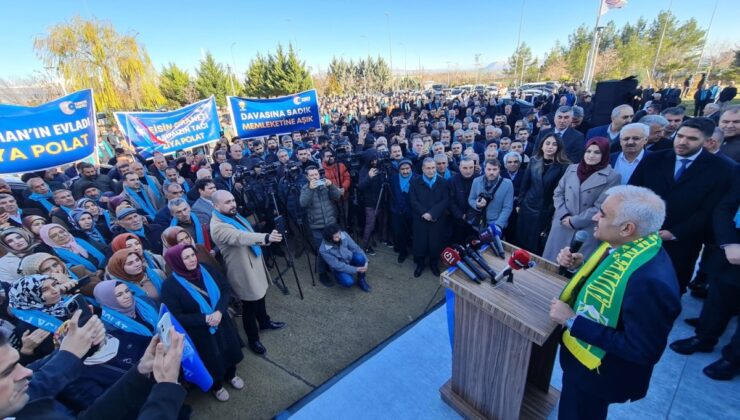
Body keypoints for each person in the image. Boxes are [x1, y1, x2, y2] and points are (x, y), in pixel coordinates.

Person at [550, 185, 681, 420]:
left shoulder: (652, 282)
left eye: (602, 213)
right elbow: (612, 288)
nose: (594, 217)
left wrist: (572, 321)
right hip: (583, 366)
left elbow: (642, 349)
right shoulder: (631, 246)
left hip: (599, 376)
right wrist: (580, 266)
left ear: (627, 228)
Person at [0, 314, 187, 419]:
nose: (26, 371)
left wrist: (140, 371)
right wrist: (166, 388)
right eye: (8, 371)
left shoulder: (19, 403)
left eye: (17, 363)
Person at [629, 117, 734, 293]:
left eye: (692, 139)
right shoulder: (653, 159)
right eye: (680, 136)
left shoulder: (723, 169)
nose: (683, 142)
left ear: (708, 142)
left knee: (669, 290)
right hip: (641, 235)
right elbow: (633, 192)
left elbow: (711, 210)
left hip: (683, 244)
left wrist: (675, 233)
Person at [669, 167, 740, 380]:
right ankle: (704, 338)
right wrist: (729, 243)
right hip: (732, 248)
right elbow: (724, 208)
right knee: (719, 296)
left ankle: (733, 359)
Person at [162, 244, 244, 402]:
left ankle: (231, 375)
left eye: (192, 255)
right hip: (200, 332)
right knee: (212, 359)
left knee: (229, 349)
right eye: (186, 257)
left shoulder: (206, 269)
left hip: (222, 321)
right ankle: (217, 386)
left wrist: (219, 311)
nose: (192, 259)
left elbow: (225, 289)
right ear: (176, 261)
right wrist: (205, 318)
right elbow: (177, 316)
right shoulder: (170, 286)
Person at [210, 190, 285, 355]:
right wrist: (266, 238)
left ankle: (264, 322)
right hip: (243, 271)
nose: (233, 204)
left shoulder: (230, 215)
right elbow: (240, 237)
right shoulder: (218, 226)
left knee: (261, 296)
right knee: (250, 307)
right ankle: (253, 339)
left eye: (232, 200)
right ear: (216, 206)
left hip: (253, 264)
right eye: (227, 202)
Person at [543, 138, 621, 262]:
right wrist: (564, 215)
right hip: (562, 223)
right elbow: (558, 193)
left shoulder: (613, 176)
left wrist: (574, 221)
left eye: (597, 152)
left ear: (605, 154)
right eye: (588, 151)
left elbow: (600, 206)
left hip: (585, 229)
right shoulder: (572, 168)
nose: (591, 155)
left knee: (573, 265)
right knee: (551, 263)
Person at [516, 133, 570, 255]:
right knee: (522, 239)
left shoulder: (564, 166)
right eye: (547, 143)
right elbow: (525, 184)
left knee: (536, 243)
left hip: (546, 208)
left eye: (554, 144)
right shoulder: (534, 160)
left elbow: (560, 191)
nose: (550, 147)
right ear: (541, 146)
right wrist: (520, 202)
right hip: (528, 206)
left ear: (559, 148)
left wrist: (553, 211)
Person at [408, 158, 450, 278]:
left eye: (433, 168)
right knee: (420, 242)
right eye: (428, 168)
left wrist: (432, 214)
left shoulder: (443, 182)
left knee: (435, 242)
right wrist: (424, 213)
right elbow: (413, 201)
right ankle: (420, 264)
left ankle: (434, 264)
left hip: (437, 219)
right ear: (423, 169)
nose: (431, 171)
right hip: (420, 218)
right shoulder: (415, 182)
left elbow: (445, 200)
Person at [299, 166, 341, 286]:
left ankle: (330, 266)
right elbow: (302, 203)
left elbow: (337, 196)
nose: (314, 177)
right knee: (322, 250)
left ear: (319, 174)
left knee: (333, 247)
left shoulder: (324, 185)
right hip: (316, 226)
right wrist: (310, 190)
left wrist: (331, 185)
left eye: (316, 174)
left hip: (330, 224)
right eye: (311, 175)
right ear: (307, 177)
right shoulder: (305, 188)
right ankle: (322, 274)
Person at [318, 224, 370, 292]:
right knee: (348, 282)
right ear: (330, 239)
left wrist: (366, 261)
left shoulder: (343, 234)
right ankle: (338, 276)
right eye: (336, 237)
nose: (340, 236)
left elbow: (356, 248)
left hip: (349, 258)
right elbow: (337, 265)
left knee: (360, 258)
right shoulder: (323, 250)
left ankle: (361, 280)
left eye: (339, 233)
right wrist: (355, 269)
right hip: (338, 268)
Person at [467, 159, 514, 231]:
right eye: (489, 169)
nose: (491, 172)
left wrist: (498, 225)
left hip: (496, 223)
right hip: (479, 222)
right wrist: (477, 205)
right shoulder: (476, 181)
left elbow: (507, 208)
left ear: (499, 170)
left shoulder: (507, 184)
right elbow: (471, 199)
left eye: (495, 169)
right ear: (484, 169)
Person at [38, 224, 106, 274]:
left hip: (106, 267)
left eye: (62, 232)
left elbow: (104, 250)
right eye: (54, 236)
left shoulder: (80, 239)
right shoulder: (54, 255)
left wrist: (102, 268)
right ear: (49, 240)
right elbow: (71, 270)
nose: (61, 236)